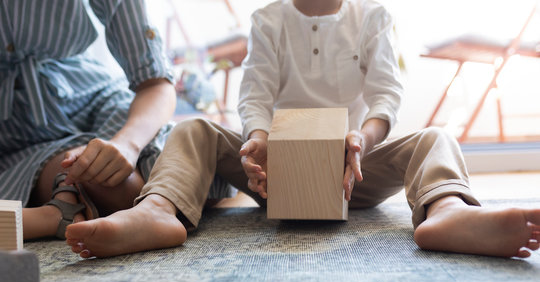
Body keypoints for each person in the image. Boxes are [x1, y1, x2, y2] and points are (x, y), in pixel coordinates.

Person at [65, 0, 540, 259]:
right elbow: (254, 93)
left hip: (350, 170)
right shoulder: (268, 20)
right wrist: (257, 138)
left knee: (434, 138)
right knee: (195, 131)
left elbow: (385, 97)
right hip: (272, 168)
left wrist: (363, 139)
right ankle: (158, 210)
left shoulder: (372, 17)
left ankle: (447, 210)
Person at [0, 0, 177, 240]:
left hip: (96, 101)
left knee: (185, 170)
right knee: (119, 188)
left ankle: (65, 207)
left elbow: (155, 83)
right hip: (17, 137)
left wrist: (127, 144)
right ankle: (60, 211)